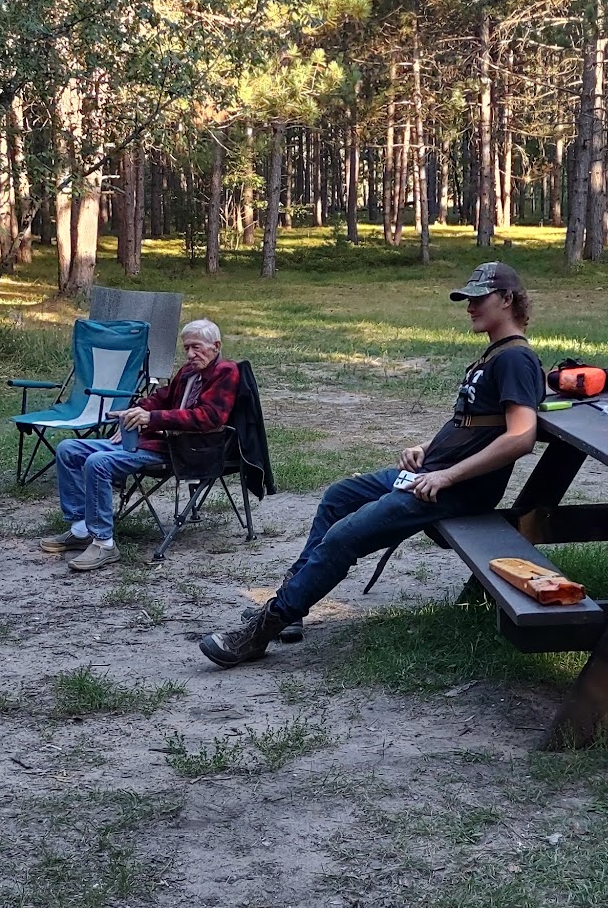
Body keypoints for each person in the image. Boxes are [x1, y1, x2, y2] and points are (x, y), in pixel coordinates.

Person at [198, 262, 542, 664]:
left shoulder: (516, 359)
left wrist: (446, 475)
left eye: (478, 298)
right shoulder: (496, 354)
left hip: (452, 490)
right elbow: (470, 421)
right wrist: (426, 447)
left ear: (506, 299)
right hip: (430, 473)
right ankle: (292, 603)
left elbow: (520, 436)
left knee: (345, 536)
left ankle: (262, 630)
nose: (469, 307)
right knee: (339, 497)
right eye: (467, 299)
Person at [41, 318, 240, 572]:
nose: (190, 354)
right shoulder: (189, 372)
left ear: (216, 345)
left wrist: (152, 419)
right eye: (186, 348)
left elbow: (209, 417)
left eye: (196, 347)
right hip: (160, 440)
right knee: (68, 449)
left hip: (187, 450)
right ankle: (81, 530)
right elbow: (160, 398)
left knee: (98, 462)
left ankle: (104, 543)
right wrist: (135, 412)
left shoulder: (226, 372)